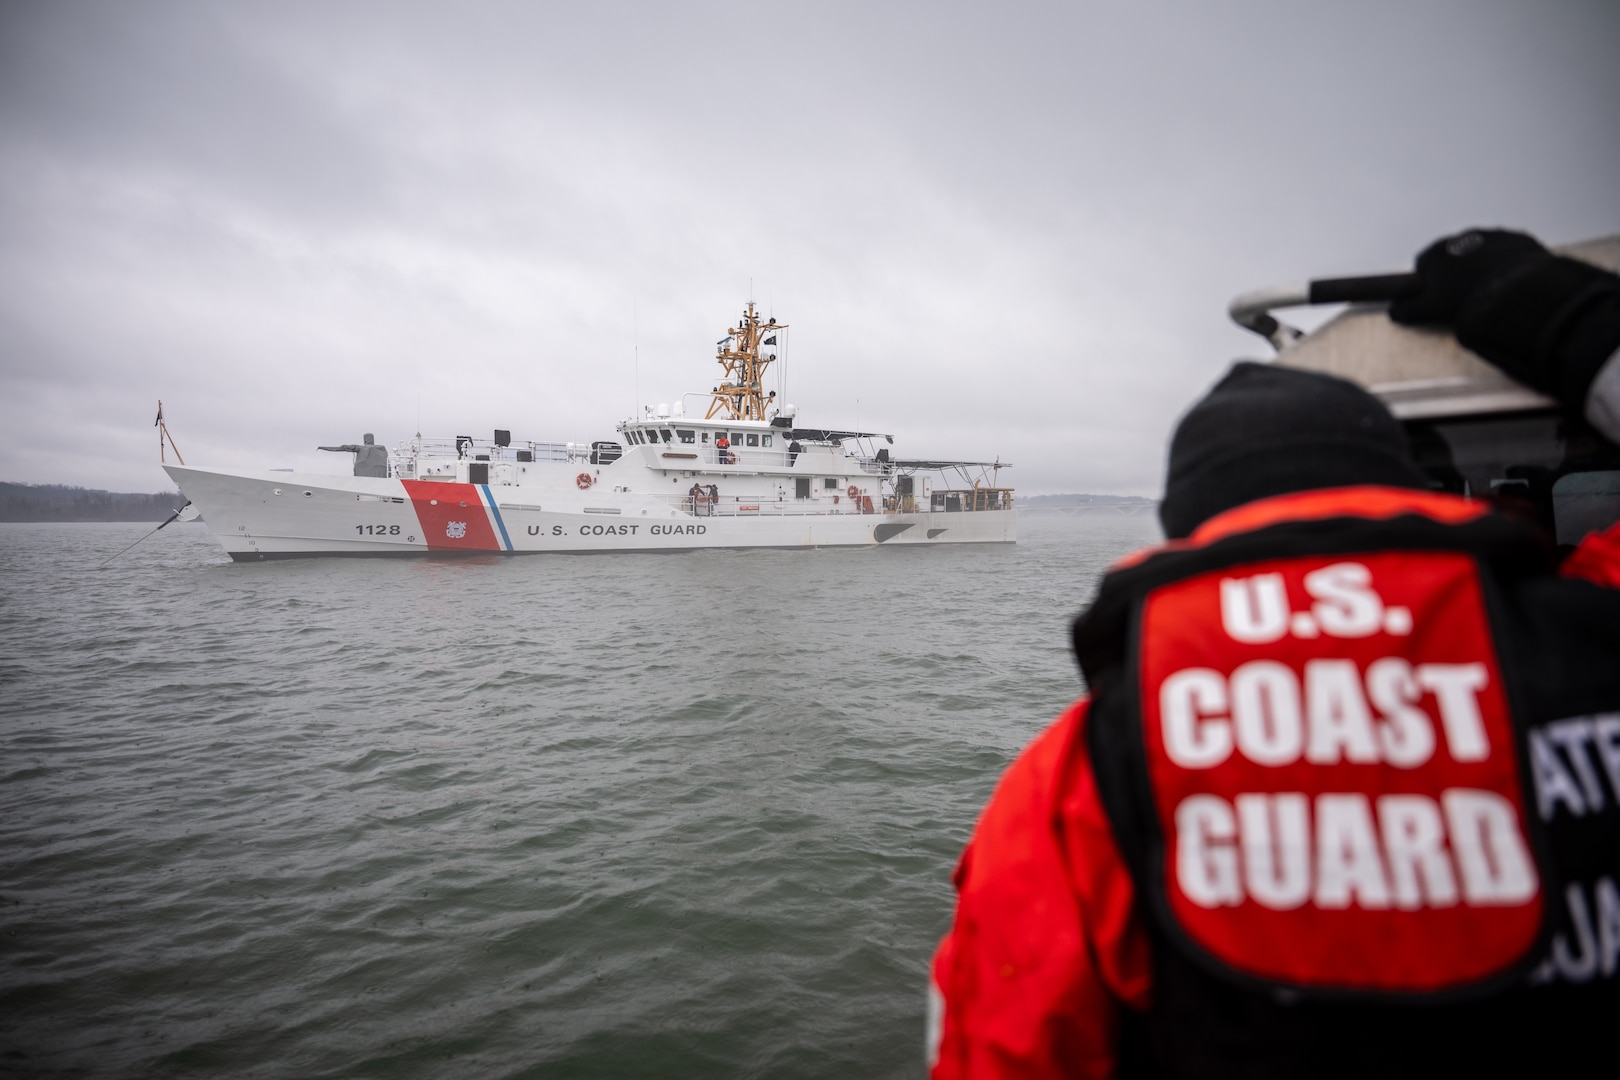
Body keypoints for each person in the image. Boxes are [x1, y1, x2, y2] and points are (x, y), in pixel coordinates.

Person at [928, 229, 1620, 1078]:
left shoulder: (1082, 770)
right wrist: (1568, 322)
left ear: (1195, 525)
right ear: (1397, 486)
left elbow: (1005, 1046)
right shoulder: (1592, 631)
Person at [317, 433, 389, 477]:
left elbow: (343, 447)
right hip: (381, 477)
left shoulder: (360, 448)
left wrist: (324, 448)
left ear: (365, 440)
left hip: (362, 478)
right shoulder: (381, 448)